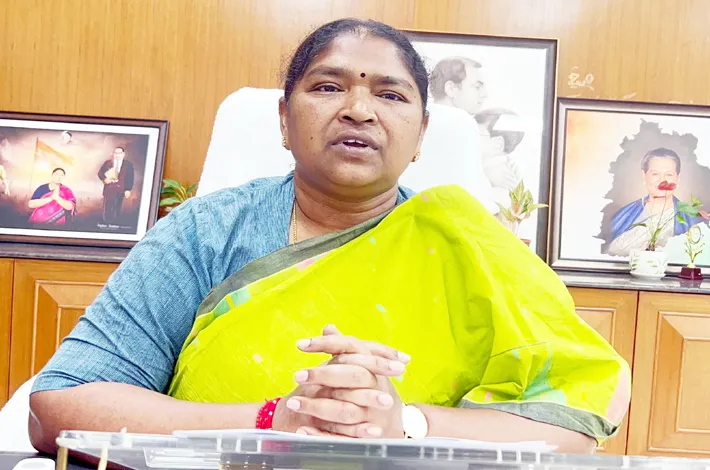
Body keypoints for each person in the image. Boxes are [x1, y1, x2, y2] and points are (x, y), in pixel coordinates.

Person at [29, 18, 629, 454]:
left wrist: (402, 424)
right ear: (284, 121)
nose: (359, 110)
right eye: (326, 87)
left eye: (390, 94)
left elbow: (574, 416)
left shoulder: (473, 245)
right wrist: (276, 420)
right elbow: (63, 404)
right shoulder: (204, 233)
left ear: (421, 135)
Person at [608, 147, 703, 256]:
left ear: (678, 179)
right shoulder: (622, 216)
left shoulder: (693, 221)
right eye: (655, 174)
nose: (662, 180)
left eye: (669, 174)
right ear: (644, 176)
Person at [475, 108, 525, 207]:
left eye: (477, 134)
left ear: (498, 143)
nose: (469, 138)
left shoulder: (502, 182)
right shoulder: (488, 171)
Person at [98, 146, 134, 223]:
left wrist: (128, 189)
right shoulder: (107, 163)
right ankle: (106, 223)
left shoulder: (128, 165)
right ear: (113, 154)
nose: (117, 155)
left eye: (119, 153)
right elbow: (100, 173)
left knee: (117, 208)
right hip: (109, 189)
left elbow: (130, 177)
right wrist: (104, 179)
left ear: (123, 154)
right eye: (116, 153)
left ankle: (115, 223)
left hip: (121, 189)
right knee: (108, 208)